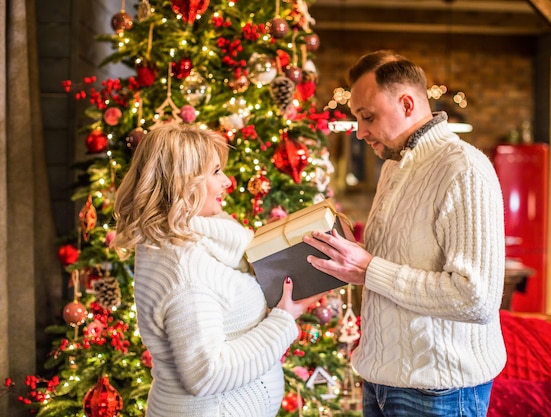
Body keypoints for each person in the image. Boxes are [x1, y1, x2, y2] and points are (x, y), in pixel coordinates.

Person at [303, 50, 507, 416]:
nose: (361, 132)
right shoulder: (393, 168)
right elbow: (389, 265)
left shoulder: (465, 169)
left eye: (367, 117)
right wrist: (354, 257)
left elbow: (476, 299)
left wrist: (370, 269)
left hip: (439, 393)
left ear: (408, 103)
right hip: (380, 381)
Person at [112, 124, 319, 417]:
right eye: (216, 172)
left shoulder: (197, 239)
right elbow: (206, 374)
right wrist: (284, 320)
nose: (228, 182)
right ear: (184, 182)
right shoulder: (183, 268)